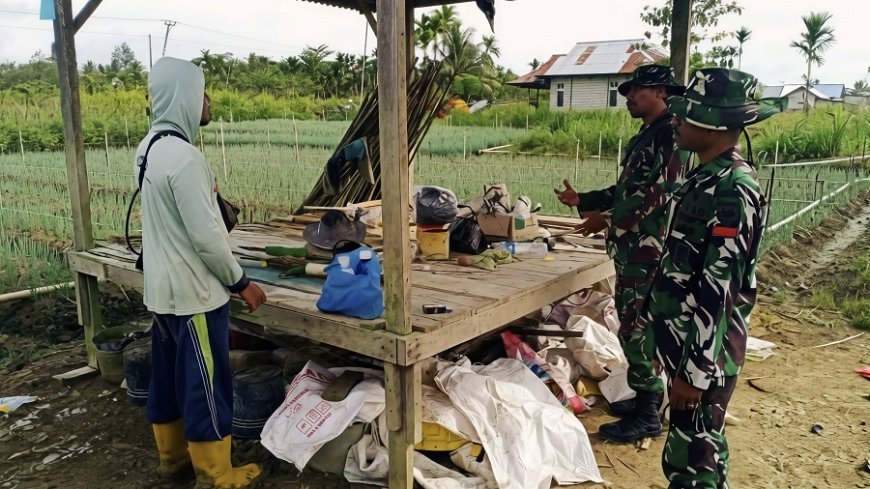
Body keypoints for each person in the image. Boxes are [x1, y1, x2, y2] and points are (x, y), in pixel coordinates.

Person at [638, 68, 786, 488]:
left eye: (688, 115)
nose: (677, 121)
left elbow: (720, 287)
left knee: (695, 461)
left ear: (717, 126)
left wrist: (696, 372)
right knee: (689, 449)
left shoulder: (732, 190)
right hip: (686, 345)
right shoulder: (704, 176)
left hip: (705, 354)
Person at [136, 57, 267, 488]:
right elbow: (208, 238)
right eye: (203, 91)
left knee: (169, 378)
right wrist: (241, 282)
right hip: (194, 294)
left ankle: (172, 460)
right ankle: (216, 474)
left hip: (160, 292)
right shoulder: (186, 157)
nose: (208, 101)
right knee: (205, 384)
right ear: (184, 95)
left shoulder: (149, 148)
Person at [554, 64, 688, 443]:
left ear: (661, 91)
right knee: (633, 324)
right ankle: (645, 396)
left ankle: (647, 414)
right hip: (633, 249)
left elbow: (662, 193)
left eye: (637, 90)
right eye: (626, 90)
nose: (627, 96)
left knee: (638, 327)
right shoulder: (647, 135)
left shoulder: (672, 135)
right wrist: (585, 200)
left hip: (649, 250)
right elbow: (628, 189)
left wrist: (609, 219)